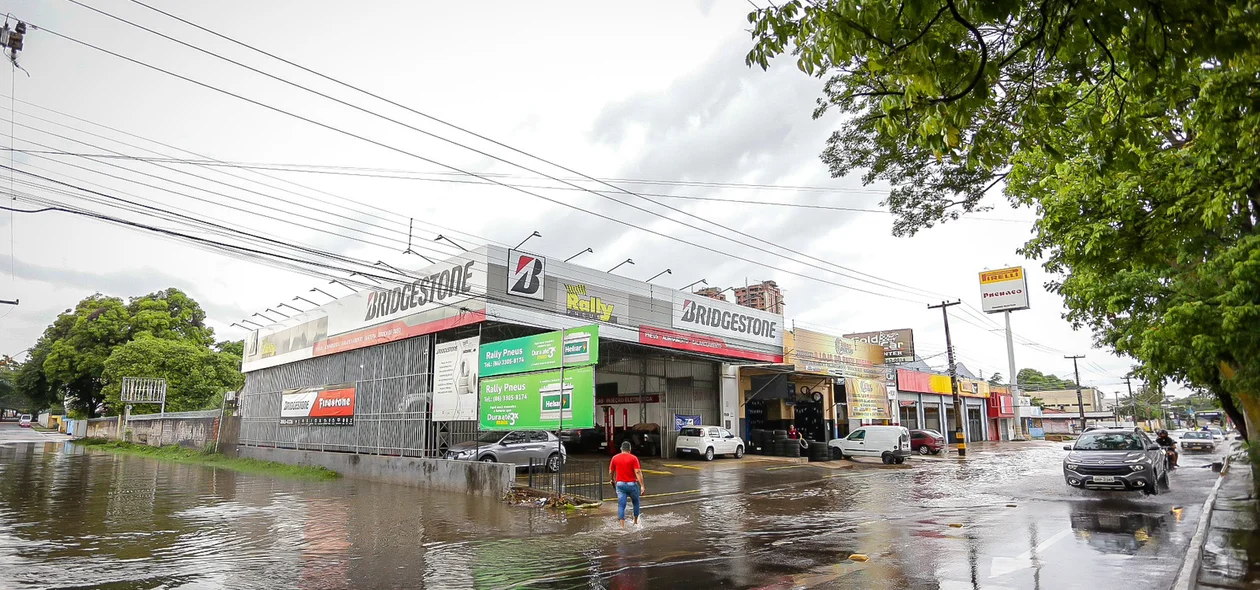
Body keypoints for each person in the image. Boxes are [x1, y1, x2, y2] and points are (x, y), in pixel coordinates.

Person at [609, 441, 645, 528]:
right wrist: (642, 486)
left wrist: (611, 479)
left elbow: (611, 471)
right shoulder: (633, 458)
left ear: (621, 449)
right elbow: (637, 472)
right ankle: (635, 522)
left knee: (621, 505)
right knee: (636, 502)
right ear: (630, 450)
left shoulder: (615, 458)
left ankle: (622, 526)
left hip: (620, 485)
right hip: (632, 484)